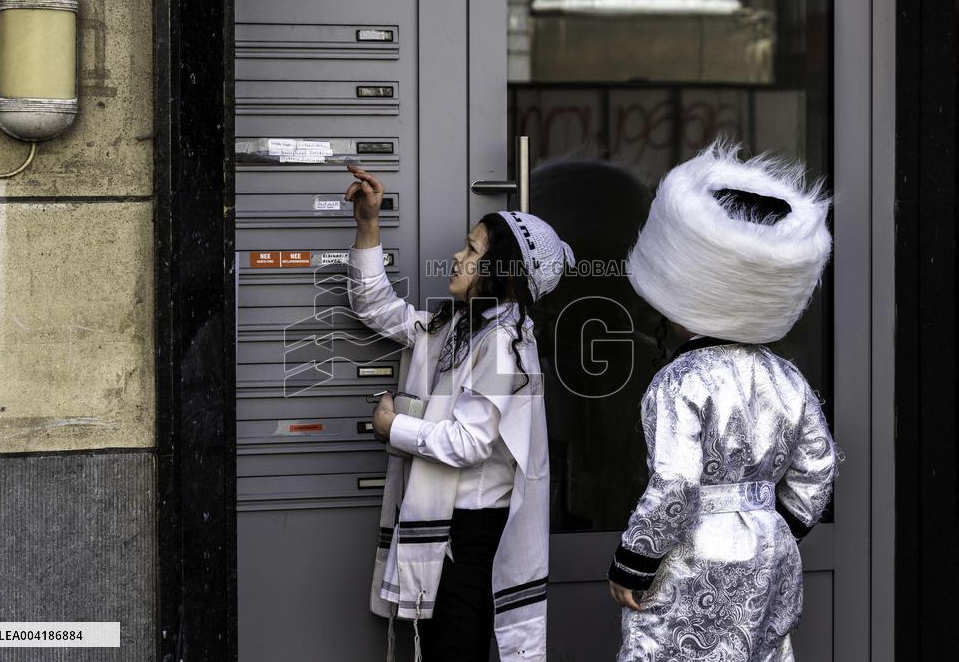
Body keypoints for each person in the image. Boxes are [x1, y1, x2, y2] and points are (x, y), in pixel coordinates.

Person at [606, 140, 842, 661]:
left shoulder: (679, 381)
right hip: (771, 550)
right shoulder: (788, 377)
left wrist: (634, 560)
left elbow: (675, 481)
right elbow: (819, 467)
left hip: (697, 549)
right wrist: (772, 523)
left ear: (683, 293)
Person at [344, 164, 575, 661]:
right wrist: (368, 224)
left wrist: (393, 427)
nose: (457, 256)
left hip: (470, 536)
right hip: (451, 528)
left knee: (455, 650)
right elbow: (375, 307)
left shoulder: (504, 345)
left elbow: (470, 443)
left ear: (502, 272)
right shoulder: (458, 327)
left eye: (472, 251)